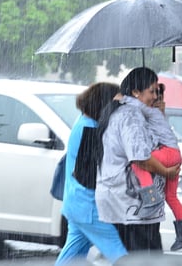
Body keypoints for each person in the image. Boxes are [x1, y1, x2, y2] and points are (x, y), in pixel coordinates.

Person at [95, 67, 180, 253]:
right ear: (135, 92)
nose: (156, 96)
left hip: (136, 205)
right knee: (143, 257)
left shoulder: (139, 113)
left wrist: (159, 116)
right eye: (152, 91)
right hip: (131, 204)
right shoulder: (130, 115)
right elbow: (140, 157)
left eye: (158, 91)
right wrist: (166, 172)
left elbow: (156, 143)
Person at [55, 82, 127, 266]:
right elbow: (93, 174)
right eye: (117, 104)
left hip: (76, 204)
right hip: (90, 207)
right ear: (103, 103)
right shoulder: (90, 130)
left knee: (71, 258)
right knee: (123, 255)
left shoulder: (86, 123)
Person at [117, 84, 182, 251]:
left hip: (167, 156)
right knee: (171, 196)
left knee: (138, 161)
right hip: (174, 156)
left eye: (154, 95)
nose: (152, 98)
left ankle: (151, 199)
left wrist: (121, 98)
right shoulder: (157, 114)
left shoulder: (149, 113)